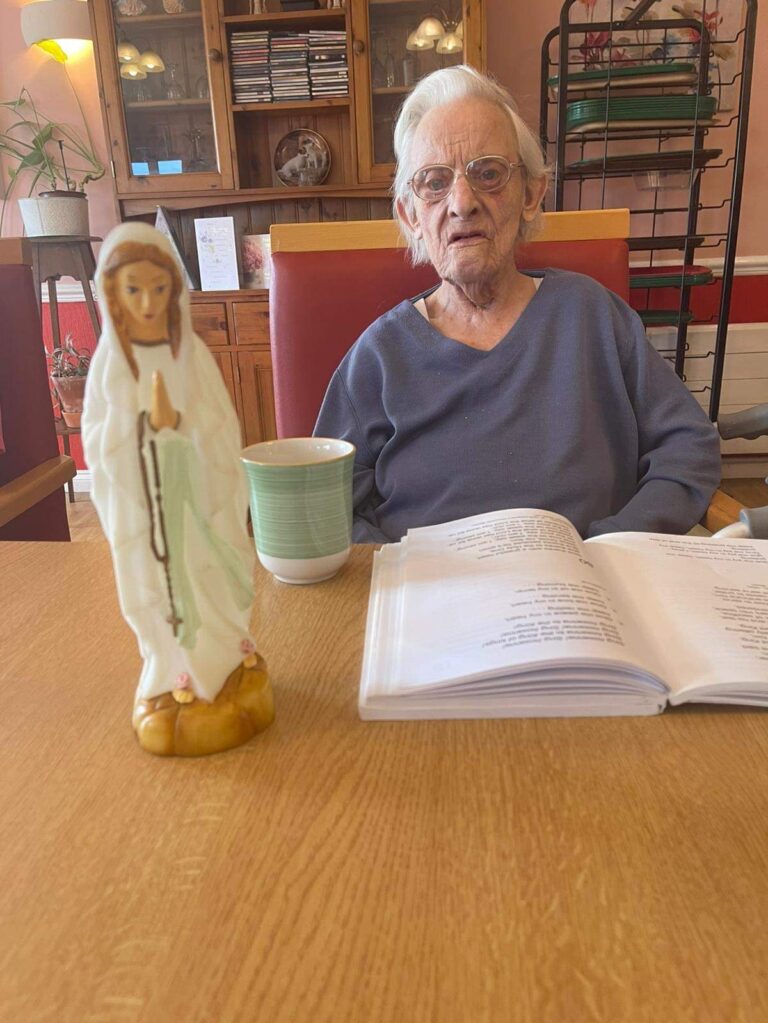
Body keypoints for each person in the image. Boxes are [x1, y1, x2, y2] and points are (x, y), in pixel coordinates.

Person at [314, 66, 721, 544]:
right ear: (411, 215)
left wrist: (615, 545)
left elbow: (688, 447)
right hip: (429, 586)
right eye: (434, 182)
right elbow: (322, 503)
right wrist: (397, 571)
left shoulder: (593, 315)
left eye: (488, 174)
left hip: (587, 578)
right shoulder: (378, 356)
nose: (461, 203)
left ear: (531, 194)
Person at [82, 222, 273, 756]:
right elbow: (97, 443)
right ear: (113, 295)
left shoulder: (191, 356)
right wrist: (144, 432)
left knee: (210, 577)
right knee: (158, 590)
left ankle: (225, 660)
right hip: (148, 517)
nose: (147, 303)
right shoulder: (110, 368)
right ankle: (171, 671)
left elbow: (222, 430)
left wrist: (184, 433)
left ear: (174, 290)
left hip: (197, 506)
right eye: (133, 290)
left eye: (158, 288)